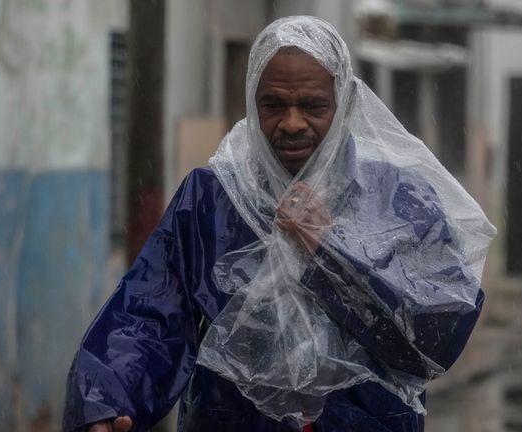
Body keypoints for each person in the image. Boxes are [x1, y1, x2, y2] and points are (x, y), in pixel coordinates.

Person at [63, 16, 495, 432]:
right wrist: (107, 398)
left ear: (343, 105)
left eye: (312, 106)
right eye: (273, 105)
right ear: (253, 101)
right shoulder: (214, 197)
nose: (291, 123)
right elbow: (150, 312)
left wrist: (332, 249)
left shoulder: (396, 197)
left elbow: (440, 328)